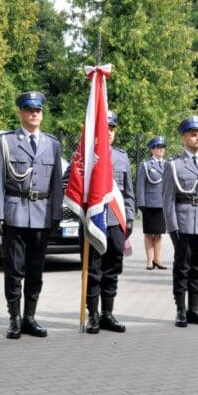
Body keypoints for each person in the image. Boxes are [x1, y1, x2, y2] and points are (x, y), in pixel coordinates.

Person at [0, 91, 63, 339]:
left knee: (35, 270)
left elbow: (56, 185)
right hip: (15, 214)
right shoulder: (6, 142)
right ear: (21, 112)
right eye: (30, 110)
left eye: (38, 110)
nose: (35, 114)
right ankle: (14, 319)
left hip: (41, 215)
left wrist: (56, 215)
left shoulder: (52, 144)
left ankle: (30, 318)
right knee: (14, 270)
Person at [163, 116, 198, 327]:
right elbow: (168, 199)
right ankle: (180, 310)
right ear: (184, 138)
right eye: (193, 134)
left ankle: (193, 308)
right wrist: (173, 228)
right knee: (182, 268)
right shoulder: (174, 165)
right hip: (184, 223)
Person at [82, 111, 136, 333]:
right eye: (106, 129)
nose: (110, 133)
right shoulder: (85, 155)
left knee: (112, 269)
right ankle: (93, 315)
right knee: (93, 270)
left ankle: (107, 314)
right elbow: (71, 187)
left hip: (116, 222)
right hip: (94, 222)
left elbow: (129, 193)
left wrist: (130, 217)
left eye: (112, 129)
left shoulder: (122, 157)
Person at [137, 136, 167, 270]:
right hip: (149, 204)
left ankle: (158, 259)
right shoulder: (146, 165)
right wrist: (141, 203)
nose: (161, 150)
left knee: (159, 234)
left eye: (162, 147)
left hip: (162, 204)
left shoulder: (167, 164)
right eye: (158, 147)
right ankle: (149, 261)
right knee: (149, 234)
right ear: (152, 150)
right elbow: (140, 185)